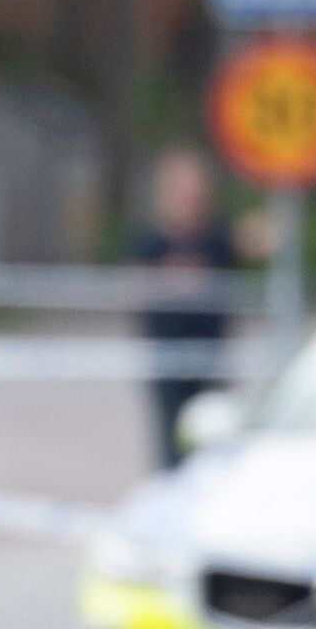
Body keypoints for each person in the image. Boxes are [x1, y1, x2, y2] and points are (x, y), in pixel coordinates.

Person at [128, 141, 231, 461]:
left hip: (211, 359)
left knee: (213, 445)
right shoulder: (149, 242)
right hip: (167, 362)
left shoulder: (217, 239)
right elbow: (132, 291)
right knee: (172, 447)